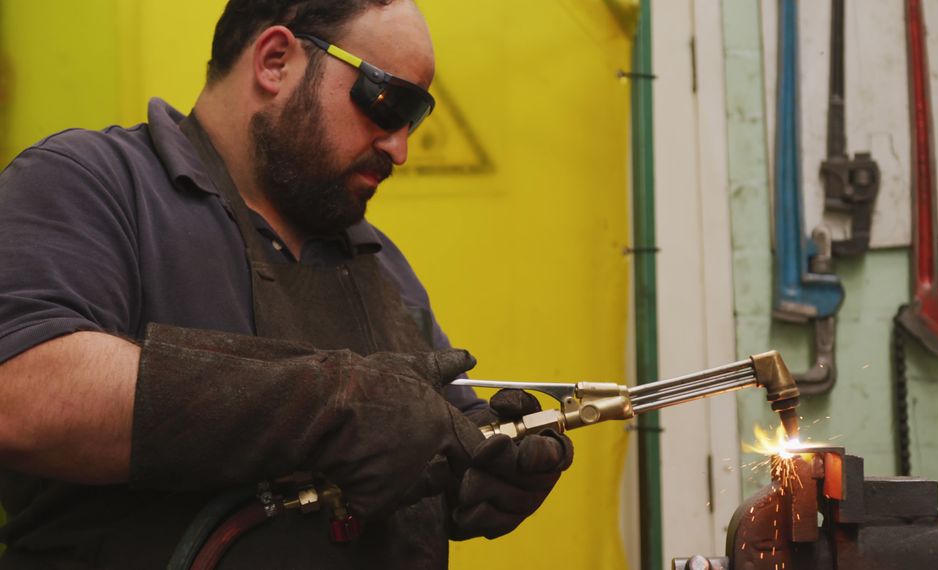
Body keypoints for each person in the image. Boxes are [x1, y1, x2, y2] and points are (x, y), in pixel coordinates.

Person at [0, 0, 573, 567]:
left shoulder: (379, 262)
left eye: (413, 119)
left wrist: (479, 472)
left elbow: (420, 433)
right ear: (275, 60)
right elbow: (20, 392)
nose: (400, 147)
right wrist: (330, 406)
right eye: (387, 101)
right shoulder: (93, 184)